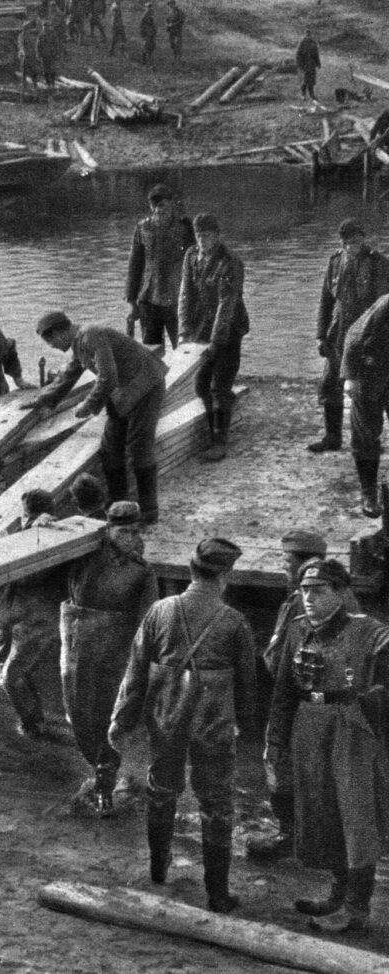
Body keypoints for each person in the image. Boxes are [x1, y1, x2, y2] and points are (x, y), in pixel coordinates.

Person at [109, 538, 256, 912]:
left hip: (165, 717)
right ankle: (217, 894)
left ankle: (159, 870)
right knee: (216, 801)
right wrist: (247, 726)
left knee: (161, 789)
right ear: (225, 576)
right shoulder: (235, 622)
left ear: (191, 571)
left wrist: (120, 720)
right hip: (213, 723)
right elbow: (247, 685)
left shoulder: (159, 612)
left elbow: (135, 673)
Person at [267, 559, 389, 933]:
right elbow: (284, 691)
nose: (308, 598)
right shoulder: (297, 629)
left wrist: (368, 707)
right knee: (322, 810)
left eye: (318, 591)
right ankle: (338, 892)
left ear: (340, 593)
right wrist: (276, 739)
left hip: (349, 726)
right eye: (304, 590)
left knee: (355, 815)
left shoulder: (368, 631)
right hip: (309, 723)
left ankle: (357, 908)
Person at [62, 501, 158, 816]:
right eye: (123, 531)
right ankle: (101, 770)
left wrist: (141, 665)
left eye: (134, 532)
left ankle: (105, 786)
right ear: (108, 529)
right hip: (76, 651)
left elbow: (148, 620)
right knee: (78, 717)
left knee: (106, 719)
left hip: (114, 656)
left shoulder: (141, 572)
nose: (130, 537)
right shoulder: (81, 553)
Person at [26, 311, 168, 521]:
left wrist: (88, 405)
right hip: (123, 391)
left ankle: (148, 511)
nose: (52, 347)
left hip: (145, 385)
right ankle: (118, 503)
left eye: (51, 341)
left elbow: (108, 376)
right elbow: (69, 374)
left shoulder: (91, 336)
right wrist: (43, 399)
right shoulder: (80, 342)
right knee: (110, 449)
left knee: (139, 447)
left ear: (60, 332)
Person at [246, 528, 327, 862]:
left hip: (295, 700)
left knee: (280, 763)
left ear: (302, 561)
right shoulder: (341, 592)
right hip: (329, 703)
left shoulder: (298, 601)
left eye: (285, 560)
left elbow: (276, 658)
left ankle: (290, 837)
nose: (282, 566)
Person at [307, 219, 389, 457]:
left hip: (367, 335)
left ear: (363, 238)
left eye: (355, 241)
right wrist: (321, 335)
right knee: (329, 385)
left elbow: (382, 307)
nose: (351, 247)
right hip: (339, 333)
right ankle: (332, 437)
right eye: (346, 243)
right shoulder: (335, 262)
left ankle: (368, 439)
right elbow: (326, 301)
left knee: (371, 389)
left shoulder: (378, 264)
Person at [178, 212, 249, 462]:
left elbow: (226, 304)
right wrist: (184, 332)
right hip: (201, 329)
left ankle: (220, 441)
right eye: (199, 236)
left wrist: (216, 342)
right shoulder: (191, 256)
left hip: (229, 331)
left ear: (217, 236)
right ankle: (212, 430)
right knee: (200, 386)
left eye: (207, 236)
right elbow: (186, 294)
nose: (202, 241)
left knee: (220, 386)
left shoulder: (230, 261)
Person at [0, 489, 66, 739]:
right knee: (8, 669)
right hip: (10, 614)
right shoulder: (28, 532)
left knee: (10, 678)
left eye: (25, 515)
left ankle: (33, 727)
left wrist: (7, 547)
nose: (23, 520)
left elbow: (29, 575)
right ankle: (33, 719)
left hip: (35, 620)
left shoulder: (50, 534)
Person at [125, 183, 195, 351]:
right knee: (151, 349)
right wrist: (131, 300)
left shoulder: (185, 227)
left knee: (184, 347)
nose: (158, 208)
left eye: (163, 204)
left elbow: (194, 262)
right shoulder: (143, 227)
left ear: (171, 203)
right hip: (148, 297)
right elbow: (134, 265)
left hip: (177, 298)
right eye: (154, 204)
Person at [341, 292, 389, 517]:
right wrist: (350, 377)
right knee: (366, 435)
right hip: (368, 373)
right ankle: (368, 492)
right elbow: (353, 336)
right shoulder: (385, 305)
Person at [296, 29, 321, 101]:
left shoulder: (313, 43)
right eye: (307, 34)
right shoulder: (302, 43)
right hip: (304, 65)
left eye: (310, 34)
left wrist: (318, 63)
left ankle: (311, 94)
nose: (309, 36)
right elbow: (298, 55)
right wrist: (300, 65)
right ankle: (303, 95)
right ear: (305, 35)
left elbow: (316, 54)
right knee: (304, 80)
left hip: (312, 65)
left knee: (312, 80)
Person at [36, 19, 60, 91]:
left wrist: (57, 54)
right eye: (44, 26)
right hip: (44, 55)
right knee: (45, 70)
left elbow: (56, 45)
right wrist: (38, 54)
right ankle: (48, 84)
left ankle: (53, 83)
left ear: (49, 27)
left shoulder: (53, 34)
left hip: (52, 55)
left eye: (47, 26)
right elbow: (38, 46)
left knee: (52, 69)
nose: (45, 27)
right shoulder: (41, 35)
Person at [139, 2, 157, 67]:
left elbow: (154, 24)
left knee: (151, 47)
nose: (149, 8)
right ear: (146, 8)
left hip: (151, 33)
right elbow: (141, 25)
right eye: (148, 7)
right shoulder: (145, 15)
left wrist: (155, 32)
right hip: (147, 34)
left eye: (150, 7)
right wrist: (143, 34)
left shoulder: (152, 14)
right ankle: (144, 61)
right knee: (146, 47)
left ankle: (148, 62)